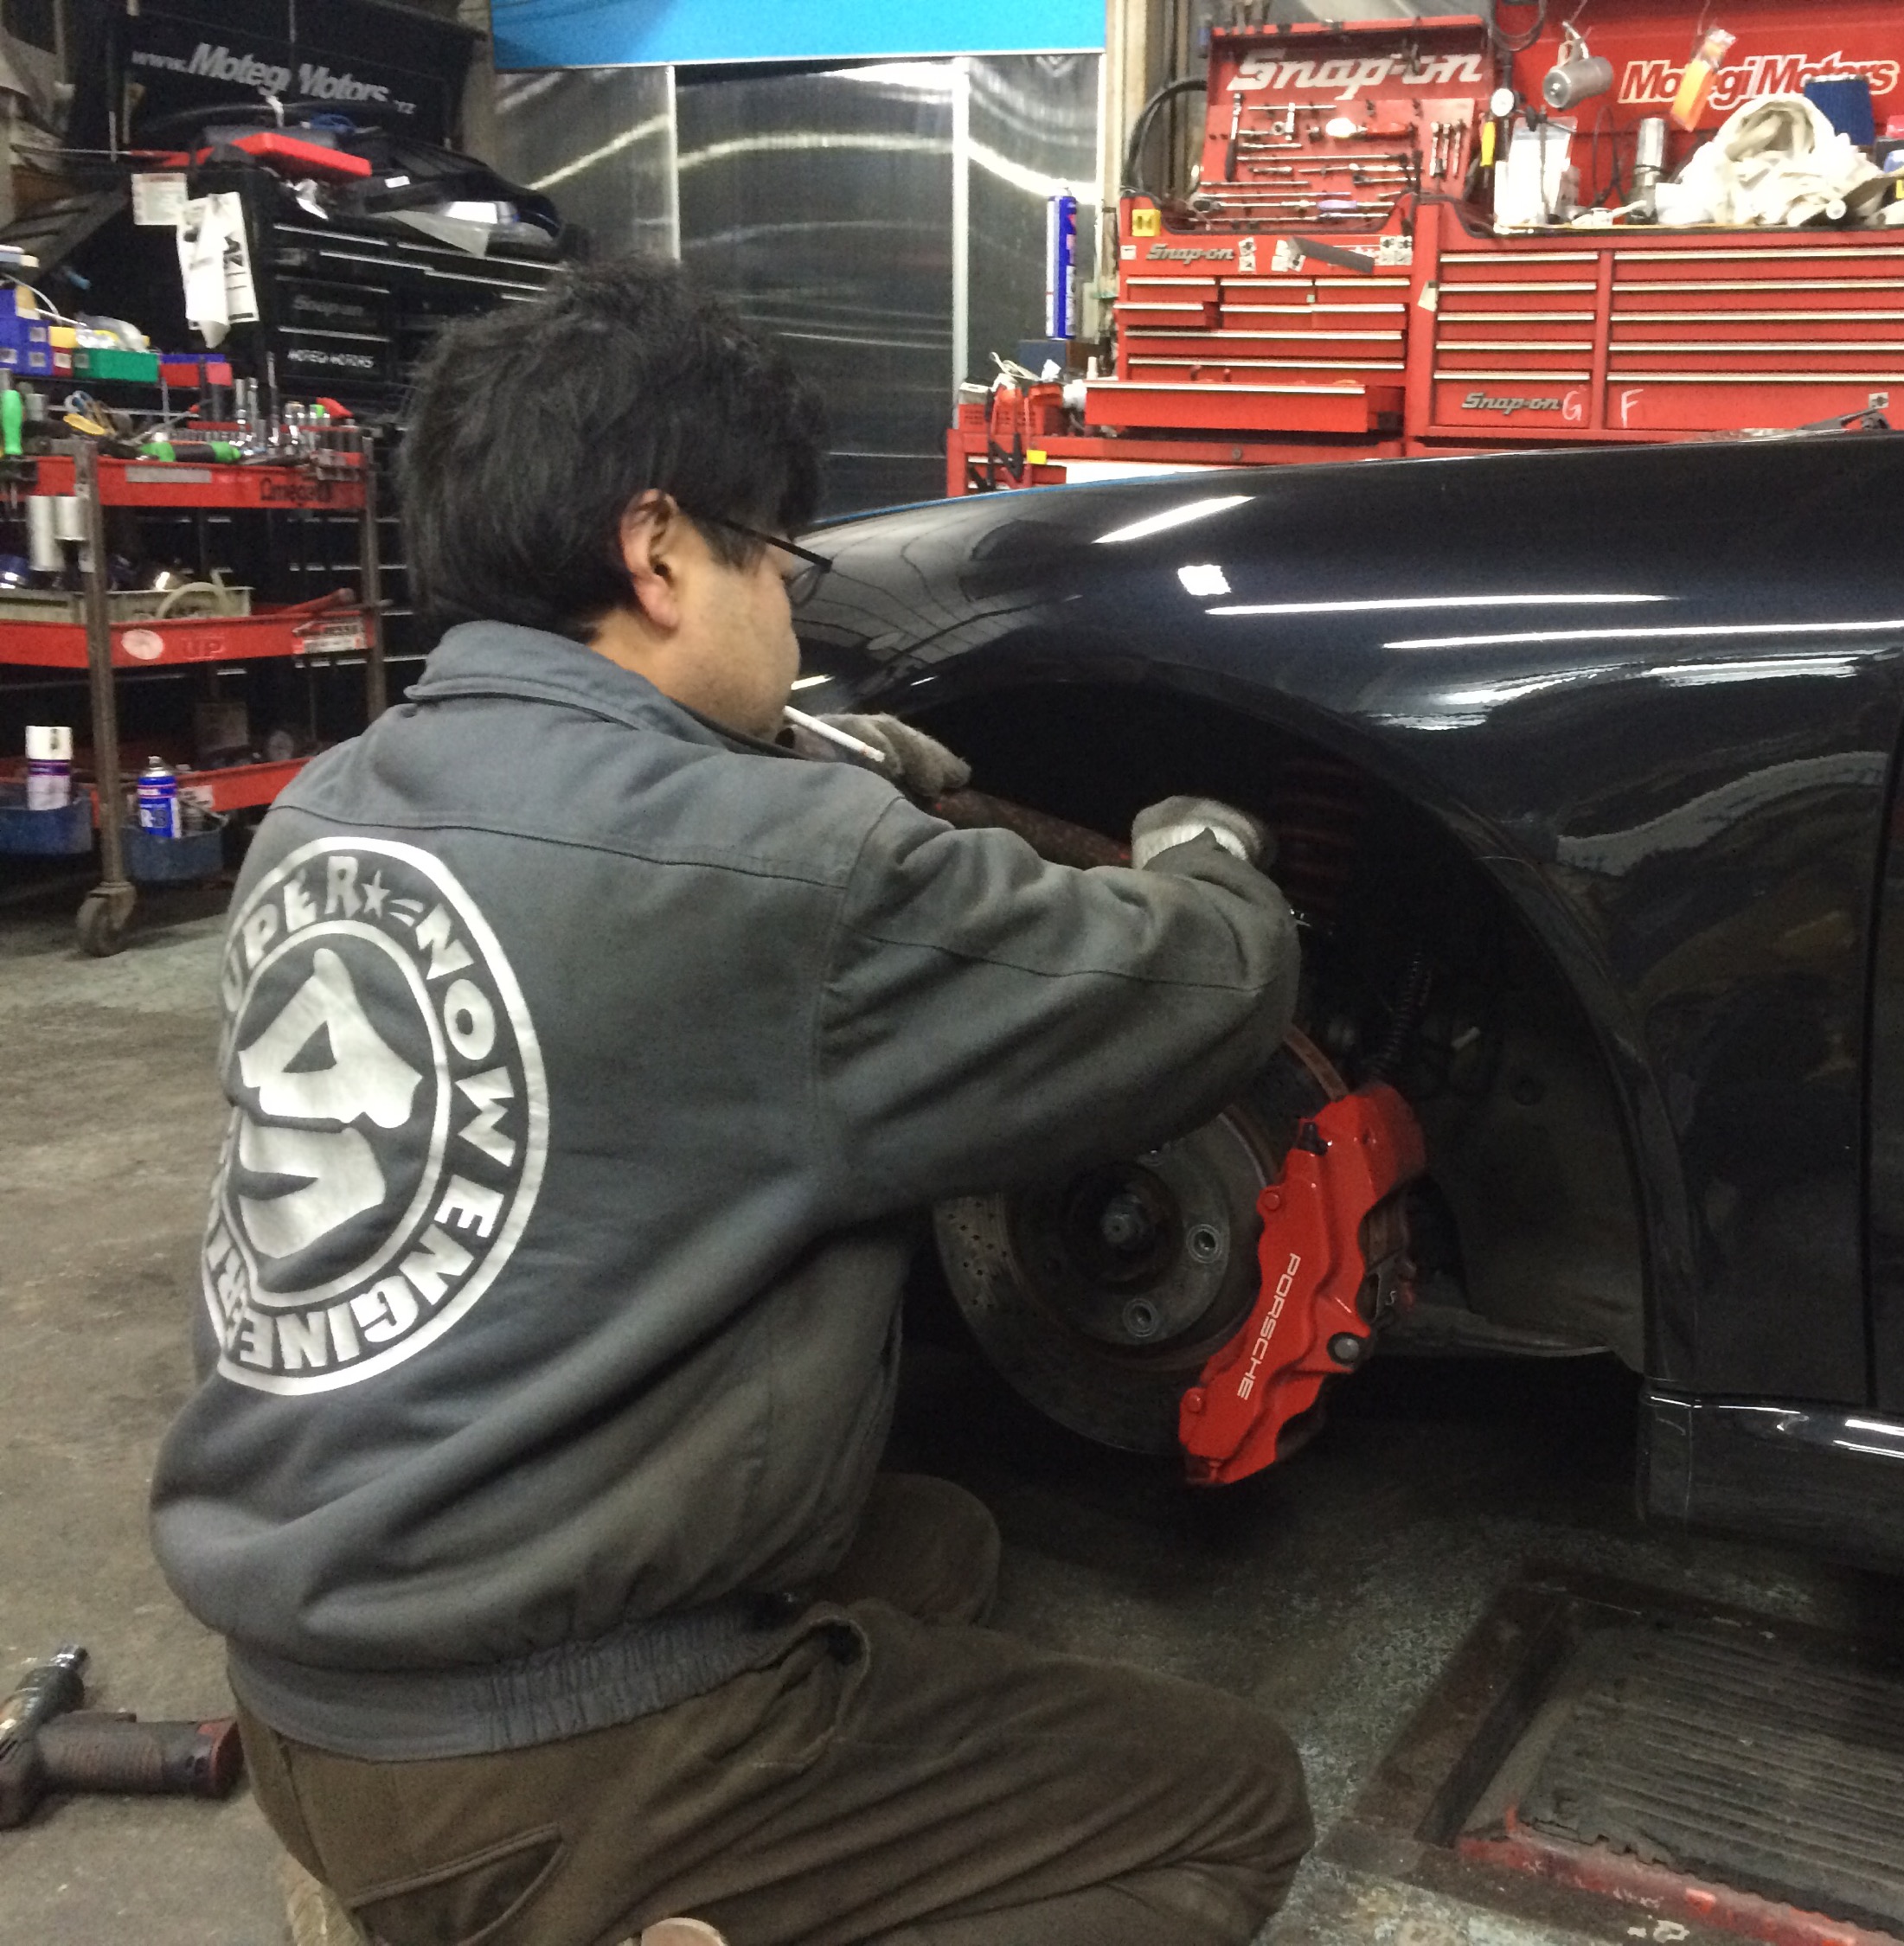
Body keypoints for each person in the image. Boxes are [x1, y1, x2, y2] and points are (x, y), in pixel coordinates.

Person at [149, 259, 1311, 1946]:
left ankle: (434, 1883)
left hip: (303, 1687)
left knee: (930, 1548)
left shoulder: (323, 810)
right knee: (1229, 1806)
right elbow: (1201, 988)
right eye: (779, 556)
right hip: (523, 1762)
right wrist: (1206, 847)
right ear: (660, 550)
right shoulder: (781, 872)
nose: (790, 602)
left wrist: (799, 764)